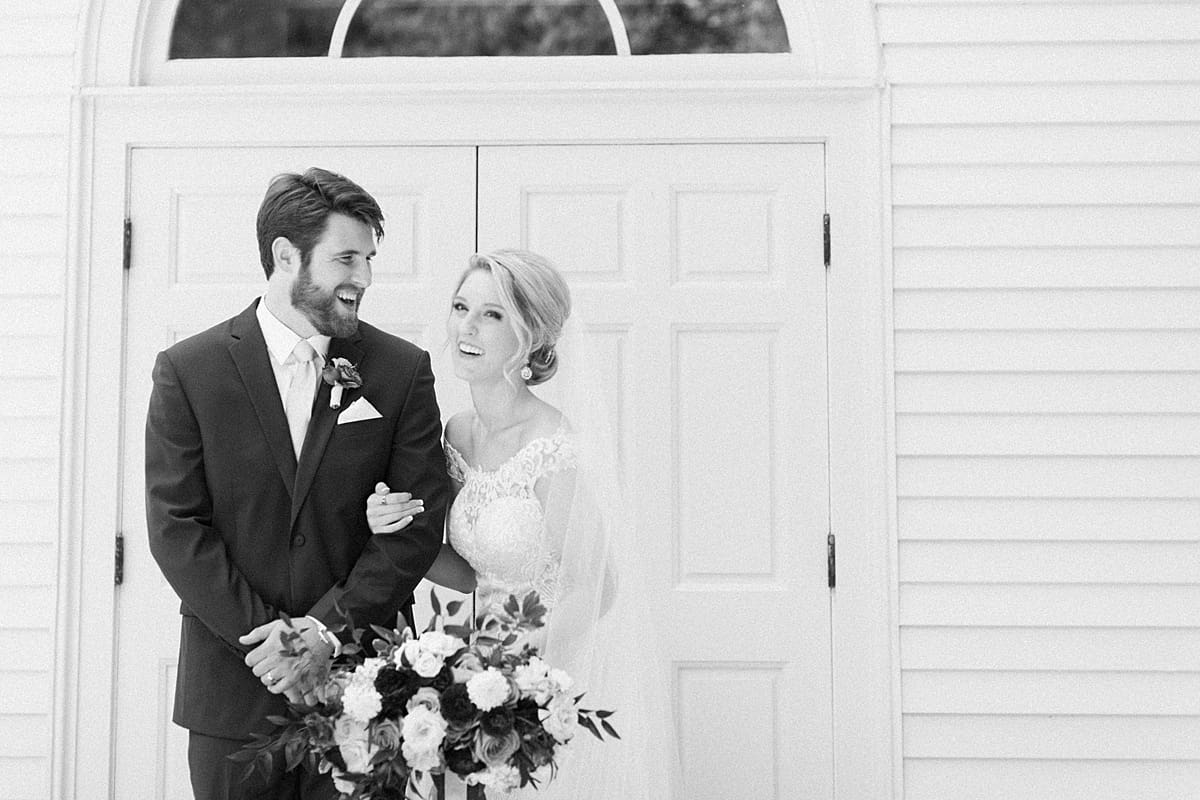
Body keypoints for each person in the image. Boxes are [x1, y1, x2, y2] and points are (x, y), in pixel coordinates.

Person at [145, 167, 449, 800]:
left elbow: (417, 524)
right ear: (286, 256)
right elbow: (177, 530)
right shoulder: (189, 371)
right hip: (232, 694)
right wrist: (279, 646)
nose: (363, 278)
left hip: (367, 691)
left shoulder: (400, 370)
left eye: (368, 259)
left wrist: (325, 631)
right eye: (346, 258)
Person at [366, 249, 676, 799]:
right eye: (461, 306)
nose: (467, 325)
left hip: (540, 677)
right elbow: (466, 572)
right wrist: (392, 529)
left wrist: (519, 680)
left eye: (493, 314)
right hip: (472, 673)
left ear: (531, 335)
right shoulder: (457, 434)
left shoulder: (552, 447)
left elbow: (595, 585)